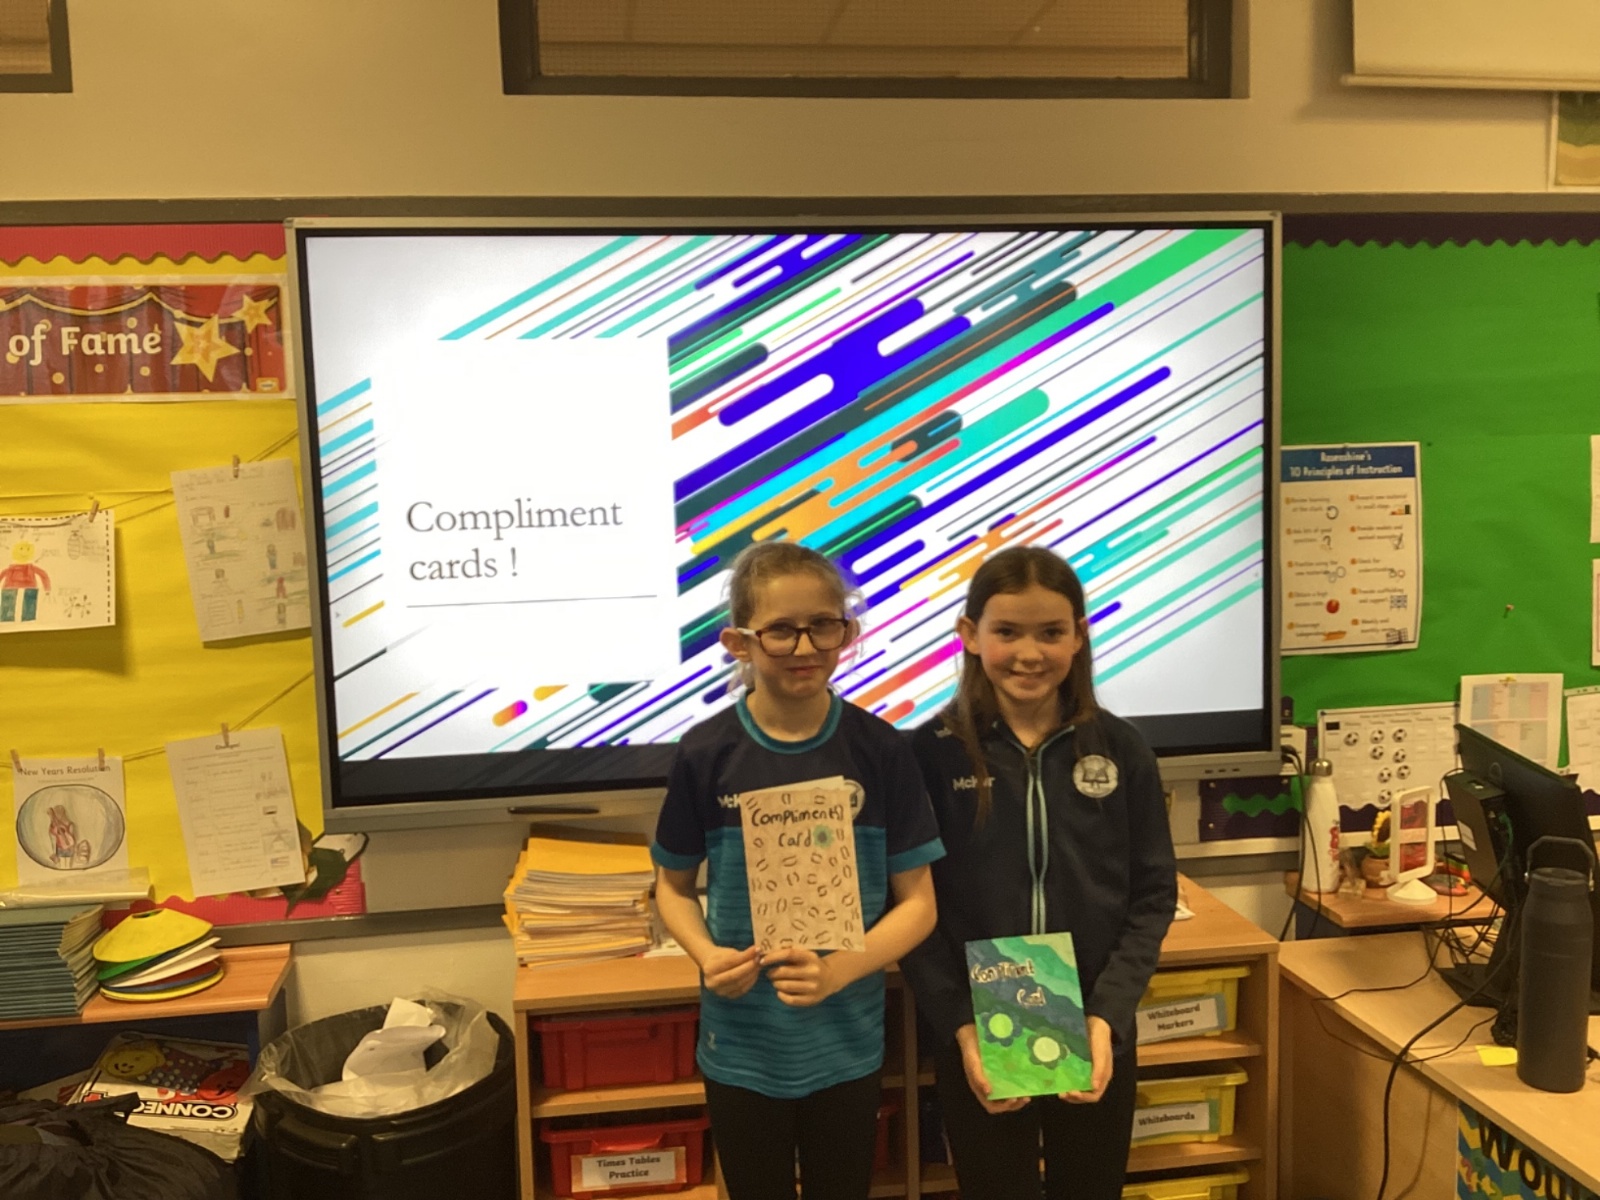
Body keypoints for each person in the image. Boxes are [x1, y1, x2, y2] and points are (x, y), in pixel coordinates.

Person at [652, 540, 944, 1200]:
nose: (805, 646)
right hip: (741, 1043)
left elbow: (920, 904)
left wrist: (838, 970)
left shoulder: (880, 750)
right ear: (739, 642)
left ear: (848, 632)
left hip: (846, 1042)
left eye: (823, 625)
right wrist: (706, 954)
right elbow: (671, 888)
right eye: (781, 629)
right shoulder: (705, 753)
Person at [901, 544, 1176, 1200]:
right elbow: (908, 905)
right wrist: (962, 1026)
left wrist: (1108, 1016)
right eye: (1007, 632)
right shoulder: (928, 756)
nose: (1029, 653)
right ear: (970, 635)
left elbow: (1152, 895)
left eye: (1051, 633)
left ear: (1079, 637)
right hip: (982, 1027)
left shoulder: (1122, 749)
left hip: (1095, 1023)